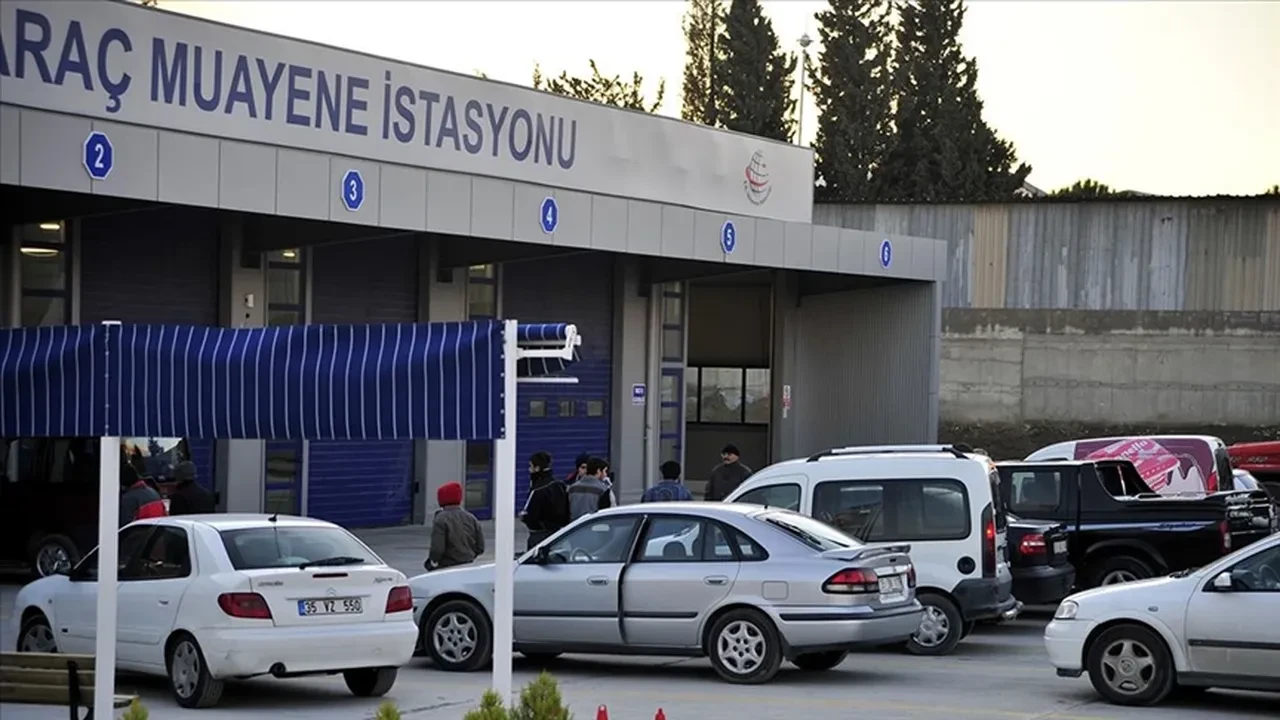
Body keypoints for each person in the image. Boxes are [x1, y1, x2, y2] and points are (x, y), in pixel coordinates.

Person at [427, 482, 485, 570]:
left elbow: (437, 548)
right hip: (468, 562)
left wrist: (433, 560)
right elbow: (480, 547)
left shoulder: (441, 519)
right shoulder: (471, 517)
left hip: (447, 564)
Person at [521, 451, 570, 550]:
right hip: (560, 533)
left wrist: (524, 517)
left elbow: (530, 515)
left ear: (537, 468)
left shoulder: (538, 490)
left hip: (540, 534)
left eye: (531, 466)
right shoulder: (560, 485)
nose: (529, 469)